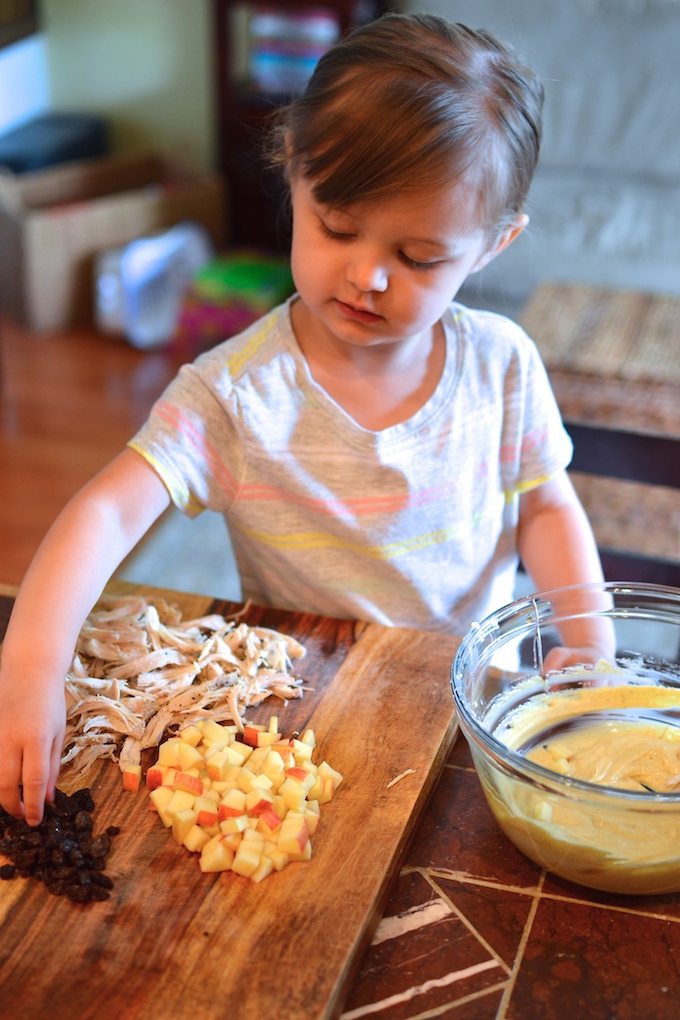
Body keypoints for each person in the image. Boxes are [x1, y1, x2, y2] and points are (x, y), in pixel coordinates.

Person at [0, 12, 607, 826]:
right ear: (292, 172)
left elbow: (545, 503)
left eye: (418, 257)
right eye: (337, 227)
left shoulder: (502, 365)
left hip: (474, 698)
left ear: (493, 246)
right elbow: (108, 511)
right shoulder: (237, 395)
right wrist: (34, 665)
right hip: (307, 713)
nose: (367, 276)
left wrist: (588, 636)